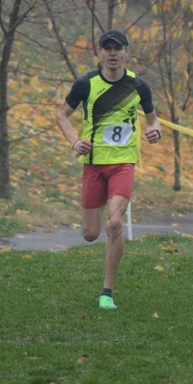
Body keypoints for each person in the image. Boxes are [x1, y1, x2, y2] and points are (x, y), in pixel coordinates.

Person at [55, 29, 162, 310]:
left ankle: (107, 293)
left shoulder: (138, 85)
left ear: (126, 52)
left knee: (114, 224)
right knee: (91, 233)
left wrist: (155, 131)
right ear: (100, 53)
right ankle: (100, 235)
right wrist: (74, 141)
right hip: (93, 165)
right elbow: (62, 116)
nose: (113, 53)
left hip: (123, 163)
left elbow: (154, 120)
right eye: (108, 48)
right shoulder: (85, 84)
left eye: (118, 48)